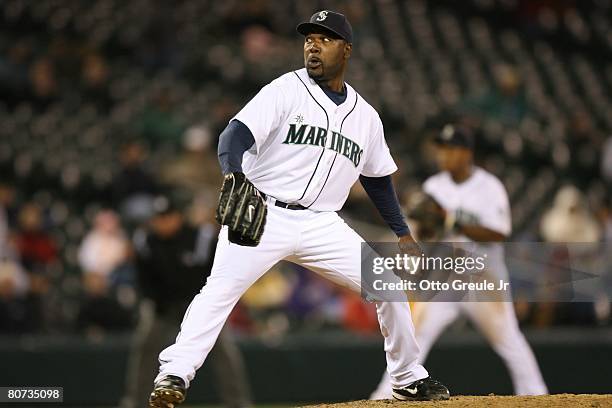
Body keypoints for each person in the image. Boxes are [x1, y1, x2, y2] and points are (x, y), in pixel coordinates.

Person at [149, 10, 450, 407]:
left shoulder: (366, 118)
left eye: (324, 38)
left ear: (346, 50)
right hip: (263, 214)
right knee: (219, 291)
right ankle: (174, 373)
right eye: (309, 37)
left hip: (323, 223)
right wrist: (233, 174)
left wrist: (401, 232)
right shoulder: (285, 89)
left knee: (388, 285)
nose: (313, 43)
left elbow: (377, 180)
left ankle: (408, 378)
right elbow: (234, 135)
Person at [370, 125, 548, 399]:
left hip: (483, 278)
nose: (443, 154)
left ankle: (538, 396)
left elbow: (498, 233)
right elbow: (425, 237)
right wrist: (428, 225)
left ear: (466, 153)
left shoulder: (489, 187)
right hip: (444, 278)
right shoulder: (433, 186)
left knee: (509, 341)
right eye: (441, 148)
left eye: (450, 148)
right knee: (415, 334)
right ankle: (384, 395)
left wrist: (450, 219)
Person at [124, 196, 252, 408]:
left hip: (200, 306)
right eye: (158, 218)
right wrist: (158, 302)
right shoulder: (146, 240)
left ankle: (238, 403)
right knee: (145, 346)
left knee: (224, 351)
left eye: (167, 217)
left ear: (178, 217)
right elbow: (143, 280)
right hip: (162, 307)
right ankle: (135, 402)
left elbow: (218, 272)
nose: (163, 222)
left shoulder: (201, 237)